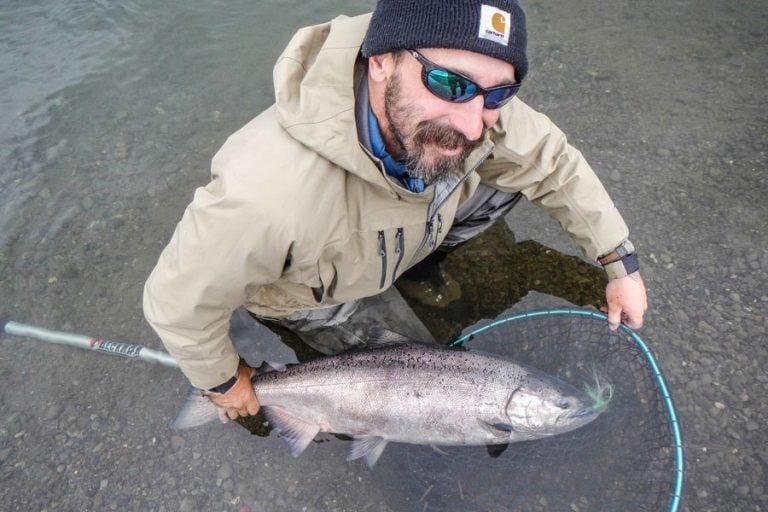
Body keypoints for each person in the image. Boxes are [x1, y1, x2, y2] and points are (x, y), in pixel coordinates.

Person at [143, 0, 647, 423]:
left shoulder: (471, 112)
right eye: (451, 85)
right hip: (316, 293)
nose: (474, 125)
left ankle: (417, 260)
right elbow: (177, 306)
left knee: (508, 177)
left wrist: (616, 259)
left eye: (500, 93)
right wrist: (225, 381)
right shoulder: (265, 194)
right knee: (414, 394)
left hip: (414, 227)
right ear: (381, 59)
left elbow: (551, 161)